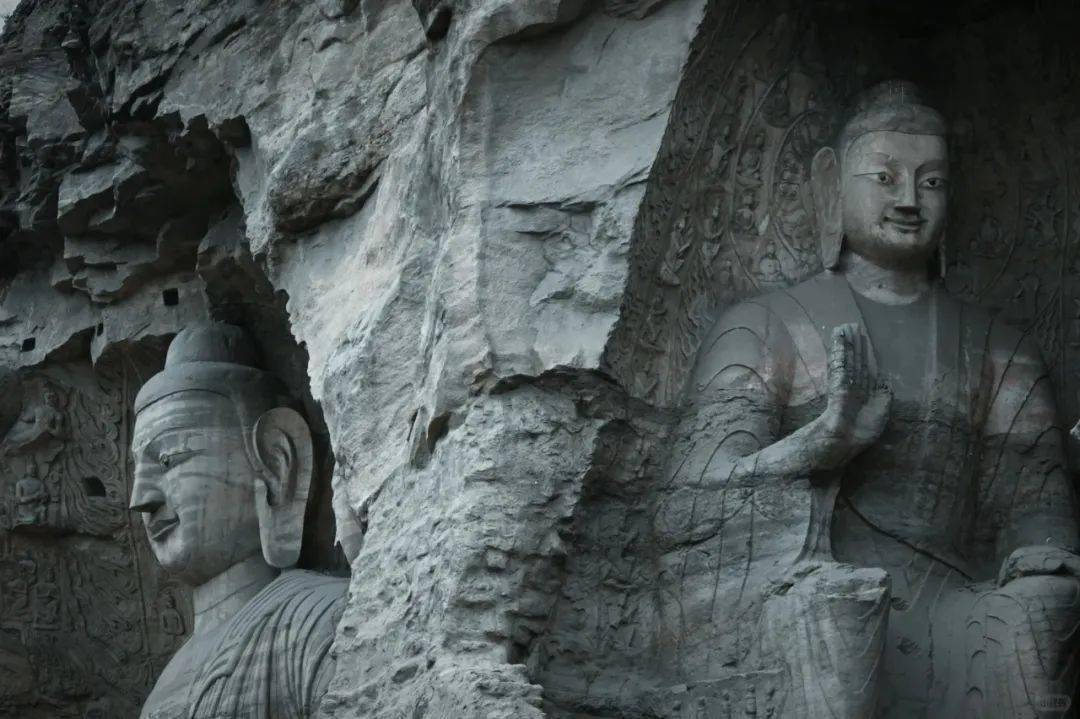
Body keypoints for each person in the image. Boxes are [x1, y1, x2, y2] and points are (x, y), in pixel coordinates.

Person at [656, 81, 1080, 717]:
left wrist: (1039, 560)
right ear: (831, 184)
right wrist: (816, 447)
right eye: (884, 177)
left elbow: (1036, 500)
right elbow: (685, 502)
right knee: (838, 613)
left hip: (955, 597)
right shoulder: (765, 325)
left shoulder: (999, 347)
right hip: (815, 583)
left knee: (1043, 609)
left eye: (931, 182)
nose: (908, 200)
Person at [129, 322, 347, 719]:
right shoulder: (166, 681)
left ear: (277, 464)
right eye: (137, 472)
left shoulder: (319, 621)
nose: (141, 499)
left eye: (169, 459)